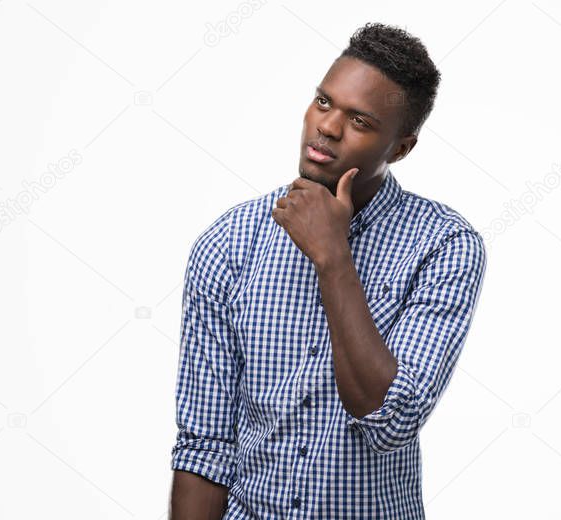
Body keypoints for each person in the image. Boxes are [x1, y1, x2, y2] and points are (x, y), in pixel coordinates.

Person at [168, 22, 487, 519]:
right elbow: (203, 447)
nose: (328, 127)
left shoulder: (445, 246)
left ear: (400, 148)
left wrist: (333, 257)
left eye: (359, 121)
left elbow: (390, 421)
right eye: (323, 101)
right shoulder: (229, 242)